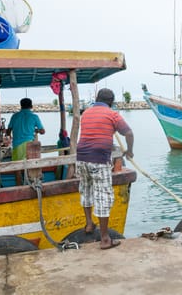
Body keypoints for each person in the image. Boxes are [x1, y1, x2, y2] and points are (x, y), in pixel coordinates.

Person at [76, 88, 134, 250]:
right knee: (103, 195)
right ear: (111, 101)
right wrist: (129, 151)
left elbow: (95, 132)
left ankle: (89, 224)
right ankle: (105, 239)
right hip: (98, 159)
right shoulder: (112, 114)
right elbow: (128, 133)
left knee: (86, 189)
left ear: (96, 98)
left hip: (81, 158)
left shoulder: (86, 113)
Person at [6, 98, 45, 185]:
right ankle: (31, 186)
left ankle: (19, 187)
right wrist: (36, 130)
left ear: (21, 106)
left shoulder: (15, 116)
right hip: (30, 145)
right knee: (30, 167)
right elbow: (42, 131)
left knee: (17, 168)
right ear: (31, 106)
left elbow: (8, 131)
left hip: (17, 145)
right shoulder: (34, 116)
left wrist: (11, 134)